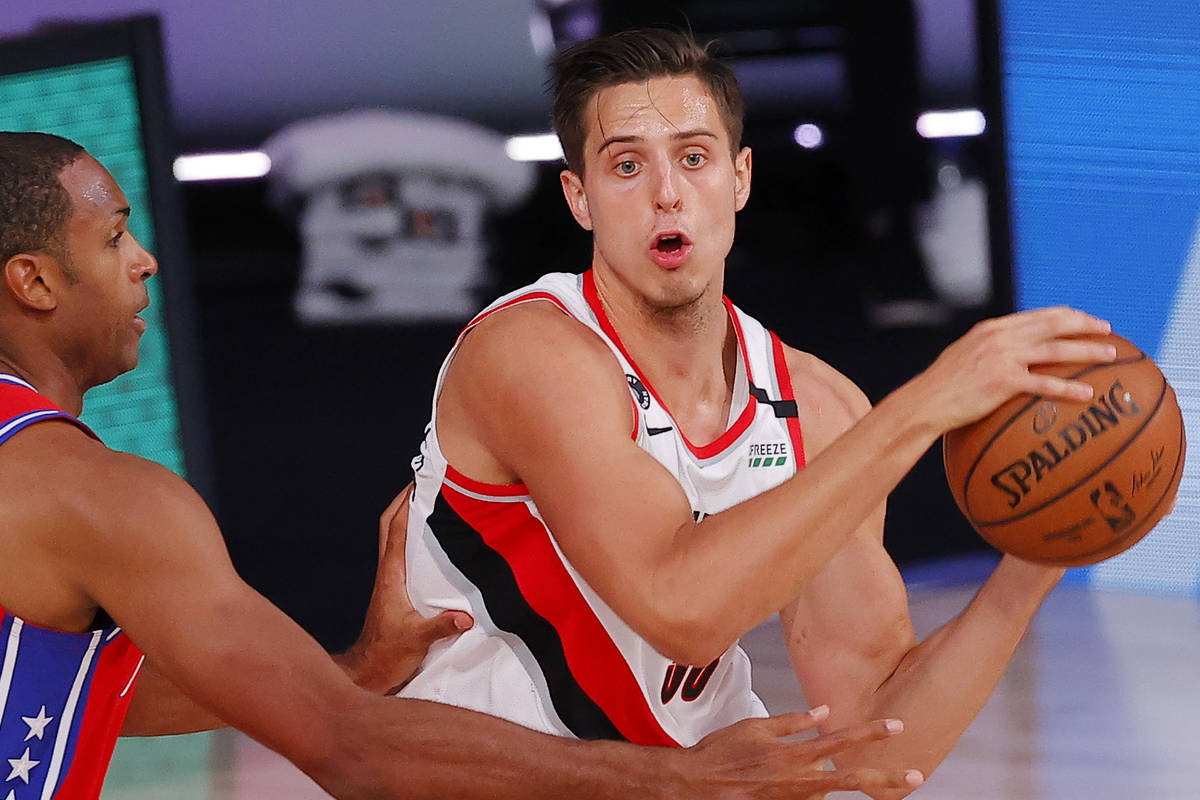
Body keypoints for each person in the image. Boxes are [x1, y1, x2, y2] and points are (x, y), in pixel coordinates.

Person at [0, 129, 924, 800]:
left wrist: (355, 669)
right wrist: (679, 780)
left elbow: (75, 697)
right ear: (34, 281)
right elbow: (353, 754)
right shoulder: (96, 498)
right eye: (115, 234)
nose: (146, 260)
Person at [396, 28, 1118, 798]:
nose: (667, 193)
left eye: (695, 157)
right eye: (628, 164)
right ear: (580, 197)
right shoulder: (534, 355)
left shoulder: (821, 408)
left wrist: (1038, 559)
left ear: (740, 178)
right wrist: (924, 405)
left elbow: (872, 749)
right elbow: (681, 609)